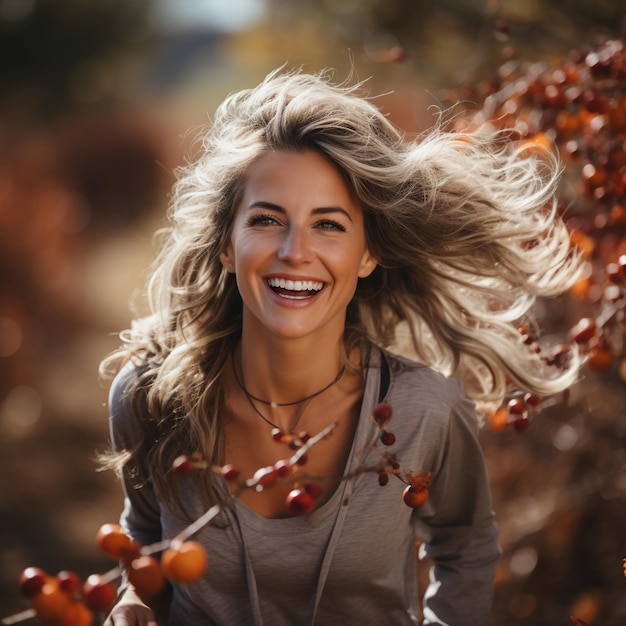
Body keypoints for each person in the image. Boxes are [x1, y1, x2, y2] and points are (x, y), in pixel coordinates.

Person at [100, 68, 582, 626]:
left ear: (367, 254)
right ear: (226, 245)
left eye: (328, 225)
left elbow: (464, 550)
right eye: (266, 219)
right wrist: (134, 600)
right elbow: (147, 535)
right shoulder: (151, 397)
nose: (295, 251)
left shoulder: (424, 410)